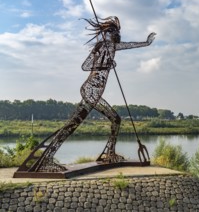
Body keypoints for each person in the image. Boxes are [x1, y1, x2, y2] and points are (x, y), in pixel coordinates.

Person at [24, 16, 156, 172]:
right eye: (112, 31)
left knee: (79, 124)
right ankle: (47, 160)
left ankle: (109, 154)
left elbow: (129, 45)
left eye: (116, 31)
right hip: (90, 90)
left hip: (95, 93)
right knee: (110, 120)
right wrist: (105, 64)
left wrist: (146, 43)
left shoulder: (112, 47)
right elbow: (85, 66)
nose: (115, 34)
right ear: (106, 33)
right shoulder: (101, 46)